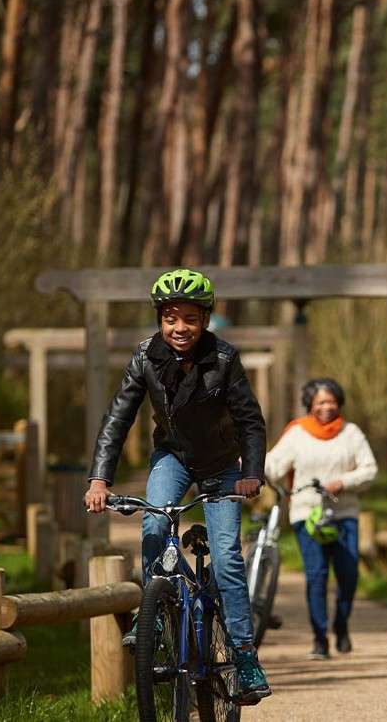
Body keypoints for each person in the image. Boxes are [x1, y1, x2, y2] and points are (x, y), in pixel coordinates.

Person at [83, 268, 271, 703]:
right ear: (160, 319)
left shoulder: (224, 359)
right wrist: (99, 479)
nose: (179, 328)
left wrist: (252, 474)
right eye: (170, 318)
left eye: (189, 318)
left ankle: (245, 656)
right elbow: (118, 420)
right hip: (173, 457)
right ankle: (156, 620)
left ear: (204, 320)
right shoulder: (144, 357)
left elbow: (250, 422)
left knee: (225, 558)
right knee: (153, 526)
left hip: (223, 466)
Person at [265, 378, 378, 660]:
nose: (327, 407)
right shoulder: (297, 433)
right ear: (310, 405)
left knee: (349, 575)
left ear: (339, 403)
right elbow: (275, 465)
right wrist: (250, 460)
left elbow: (370, 469)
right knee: (316, 576)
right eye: (320, 402)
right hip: (307, 514)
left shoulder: (351, 433)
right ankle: (319, 638)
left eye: (331, 401)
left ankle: (341, 626)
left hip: (344, 514)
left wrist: (343, 482)